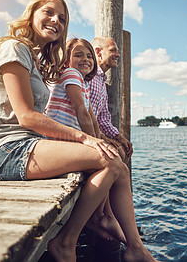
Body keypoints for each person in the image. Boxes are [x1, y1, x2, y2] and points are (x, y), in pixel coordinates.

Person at [0, 0, 156, 262]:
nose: (55, 21)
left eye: (62, 18)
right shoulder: (13, 48)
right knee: (108, 160)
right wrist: (85, 139)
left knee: (119, 166)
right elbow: (26, 117)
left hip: (26, 144)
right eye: (48, 13)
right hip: (4, 150)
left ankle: (135, 248)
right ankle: (66, 241)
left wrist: (91, 139)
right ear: (31, 14)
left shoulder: (33, 58)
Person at [45, 37, 126, 243]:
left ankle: (106, 215)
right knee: (111, 161)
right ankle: (99, 218)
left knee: (116, 162)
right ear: (66, 59)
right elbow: (82, 113)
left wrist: (100, 139)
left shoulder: (82, 82)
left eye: (89, 56)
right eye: (78, 55)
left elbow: (92, 118)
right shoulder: (70, 74)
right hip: (57, 141)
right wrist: (93, 141)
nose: (86, 59)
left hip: (67, 141)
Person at [88, 36, 133, 164]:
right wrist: (102, 138)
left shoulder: (101, 81)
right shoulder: (88, 77)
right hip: (82, 136)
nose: (118, 55)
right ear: (98, 52)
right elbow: (80, 114)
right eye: (113, 50)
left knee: (122, 150)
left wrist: (119, 138)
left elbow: (103, 119)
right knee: (117, 155)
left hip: (93, 134)